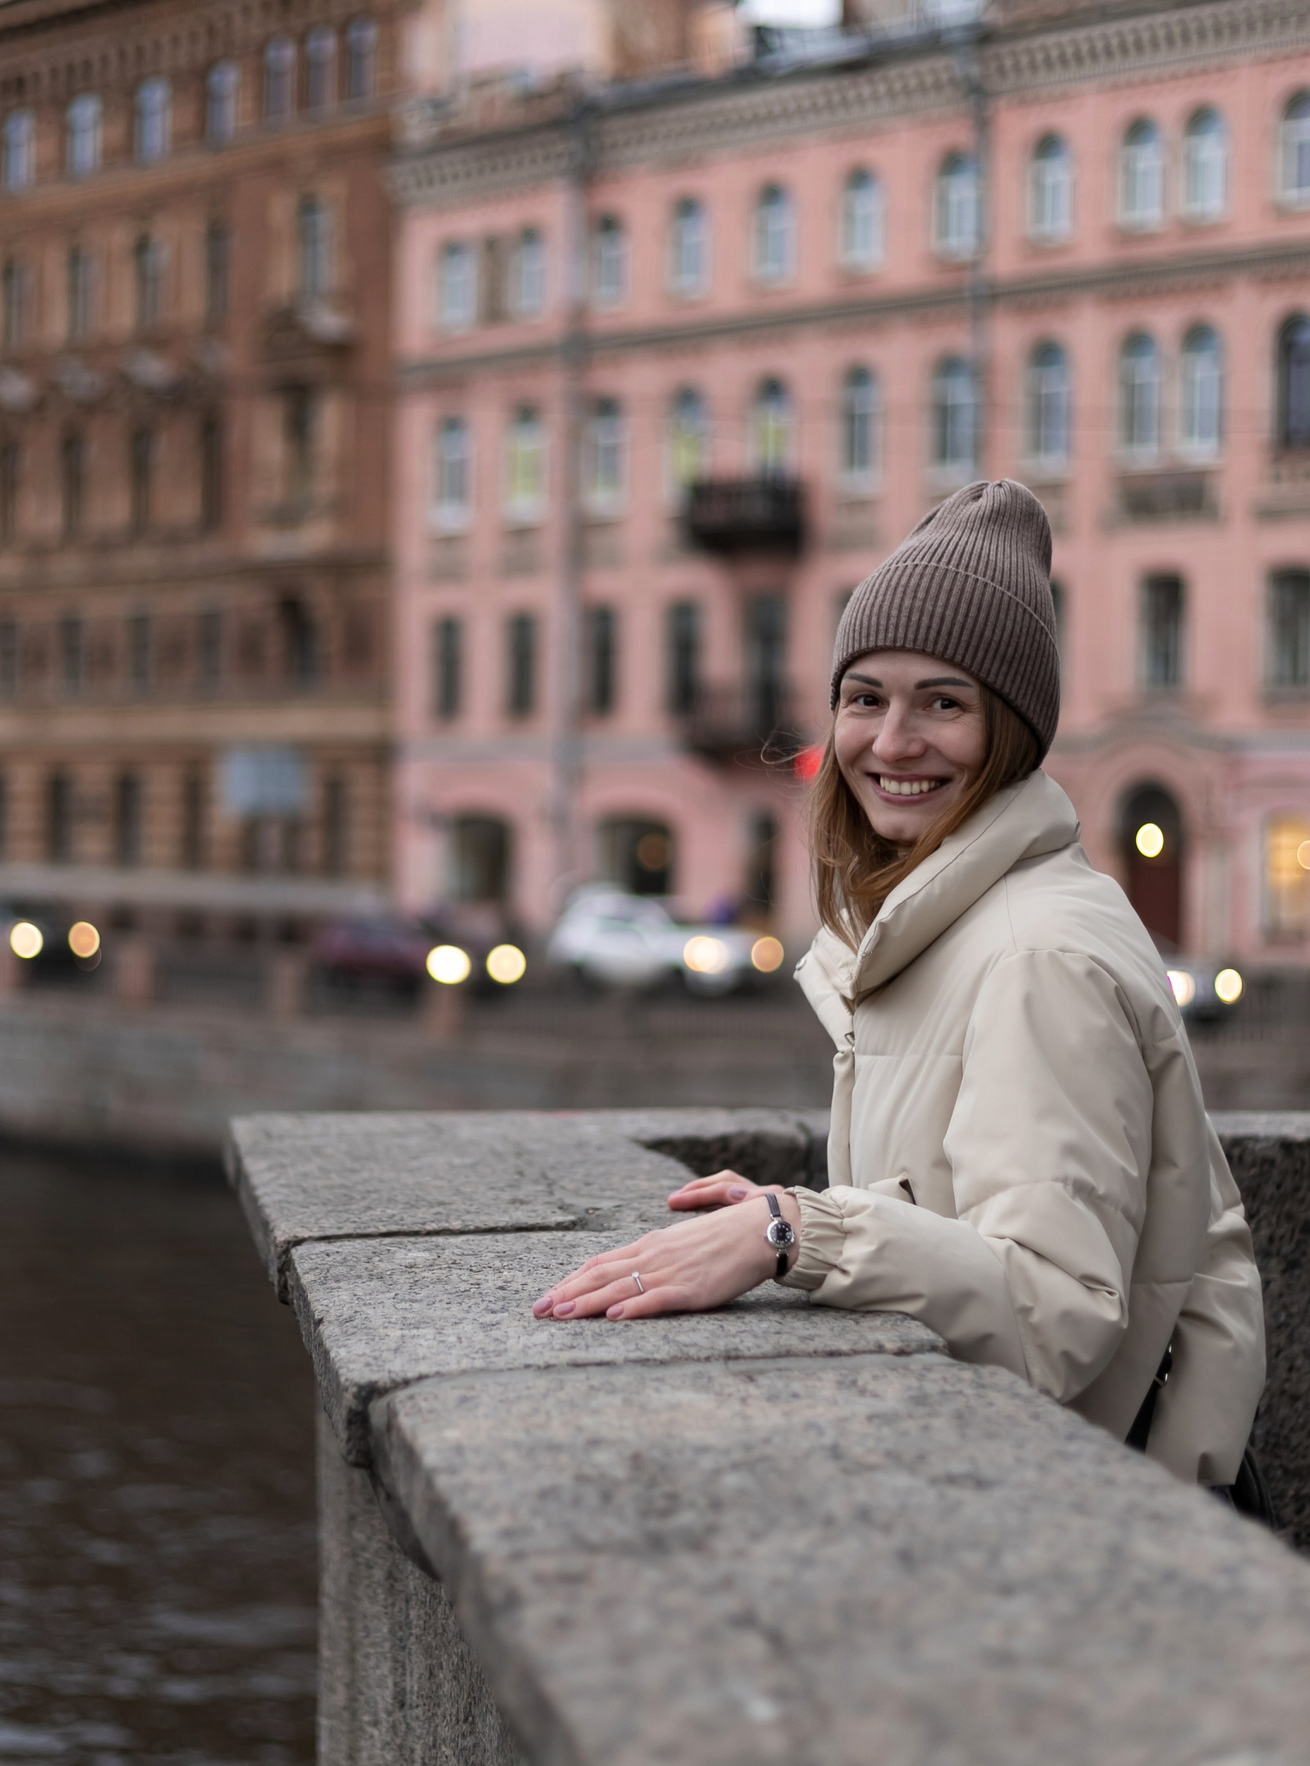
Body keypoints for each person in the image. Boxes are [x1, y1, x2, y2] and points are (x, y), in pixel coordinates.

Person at [533, 479, 1267, 1500]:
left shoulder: (1035, 954)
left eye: (943, 702)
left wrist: (798, 1233)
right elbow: (976, 1205)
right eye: (864, 697)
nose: (891, 742)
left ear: (1010, 728)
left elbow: (1055, 1315)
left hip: (1088, 1517)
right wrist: (819, 1223)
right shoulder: (954, 919)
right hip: (1029, 1490)